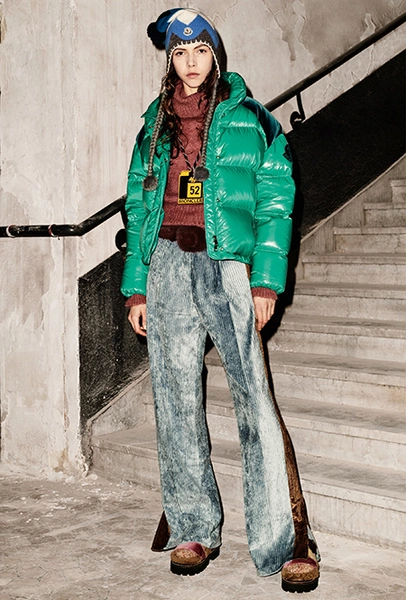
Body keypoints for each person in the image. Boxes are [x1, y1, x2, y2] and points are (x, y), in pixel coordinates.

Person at [121, 8, 320, 593]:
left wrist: (265, 282)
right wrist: (137, 286)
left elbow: (276, 200)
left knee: (254, 397)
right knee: (174, 399)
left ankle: (286, 541)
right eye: (179, 53)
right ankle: (193, 527)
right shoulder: (153, 124)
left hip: (228, 265)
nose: (190, 62)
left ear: (215, 55)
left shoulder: (252, 119)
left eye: (200, 50)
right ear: (170, 60)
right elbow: (138, 206)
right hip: (166, 264)